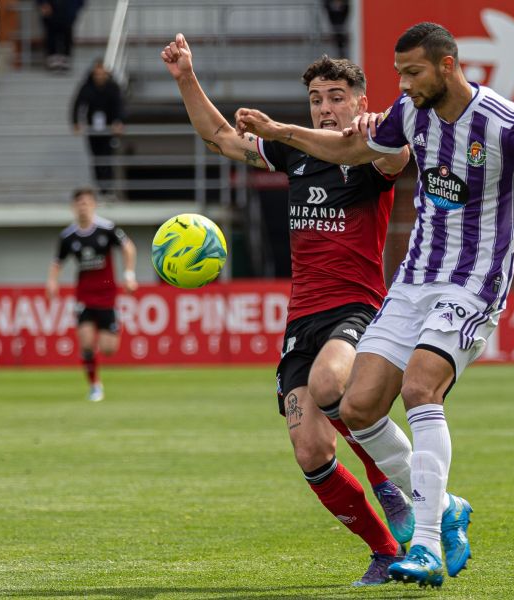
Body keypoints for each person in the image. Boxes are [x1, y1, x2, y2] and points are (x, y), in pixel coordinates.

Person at [234, 22, 514, 588]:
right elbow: (350, 146)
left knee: (420, 386)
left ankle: (424, 545)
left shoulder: (509, 125)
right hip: (415, 278)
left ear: (448, 66)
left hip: (474, 281)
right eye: (399, 72)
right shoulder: (411, 112)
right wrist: (280, 129)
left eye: (413, 72)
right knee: (355, 407)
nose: (402, 83)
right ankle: (446, 506)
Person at [161, 34, 414, 586]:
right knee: (309, 450)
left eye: (337, 96)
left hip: (359, 306)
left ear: (360, 100)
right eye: (318, 98)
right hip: (303, 318)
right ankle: (387, 551)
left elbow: (400, 157)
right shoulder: (296, 152)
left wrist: (380, 136)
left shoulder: (372, 148)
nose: (326, 107)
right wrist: (185, 76)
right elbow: (221, 139)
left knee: (330, 384)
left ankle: (390, 483)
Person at [46, 188, 137, 402]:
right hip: (84, 296)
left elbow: (129, 248)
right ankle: (95, 385)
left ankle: (111, 329)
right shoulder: (68, 236)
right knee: (86, 343)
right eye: (79, 203)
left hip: (107, 294)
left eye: (87, 203)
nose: (83, 207)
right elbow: (57, 262)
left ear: (94, 205)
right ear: (73, 207)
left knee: (108, 349)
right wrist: (51, 282)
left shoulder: (107, 229)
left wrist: (129, 274)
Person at [72, 60, 125, 196]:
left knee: (107, 157)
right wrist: (76, 122)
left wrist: (119, 122)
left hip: (109, 129)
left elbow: (120, 106)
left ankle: (109, 188)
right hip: (93, 129)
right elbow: (77, 104)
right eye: (97, 74)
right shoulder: (87, 87)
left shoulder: (113, 87)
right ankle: (100, 188)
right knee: (95, 158)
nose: (99, 77)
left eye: (102, 74)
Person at [37, 0, 84, 71]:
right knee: (51, 36)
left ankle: (65, 60)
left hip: (68, 13)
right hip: (50, 13)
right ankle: (52, 60)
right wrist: (43, 3)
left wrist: (74, 10)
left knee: (67, 35)